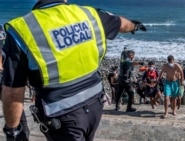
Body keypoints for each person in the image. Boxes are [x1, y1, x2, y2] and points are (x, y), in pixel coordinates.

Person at [1, 0, 146, 141]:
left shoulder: (23, 28)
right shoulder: (89, 14)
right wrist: (135, 26)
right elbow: (121, 23)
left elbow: (13, 91)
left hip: (61, 113)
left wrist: (13, 130)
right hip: (95, 102)